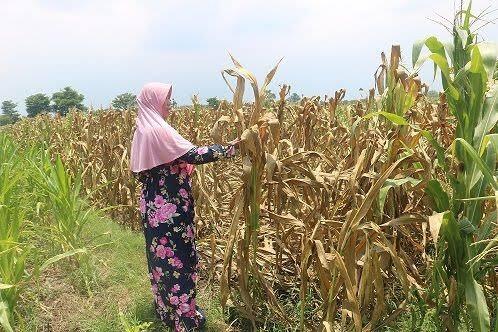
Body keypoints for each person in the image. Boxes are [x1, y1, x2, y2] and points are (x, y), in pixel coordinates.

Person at [130, 82, 239, 331]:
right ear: (153, 102)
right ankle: (185, 320)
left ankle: (167, 311)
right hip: (169, 211)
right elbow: (194, 155)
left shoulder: (143, 129)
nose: (169, 103)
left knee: (161, 261)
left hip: (153, 207)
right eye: (165, 99)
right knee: (179, 260)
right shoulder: (157, 131)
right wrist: (230, 149)